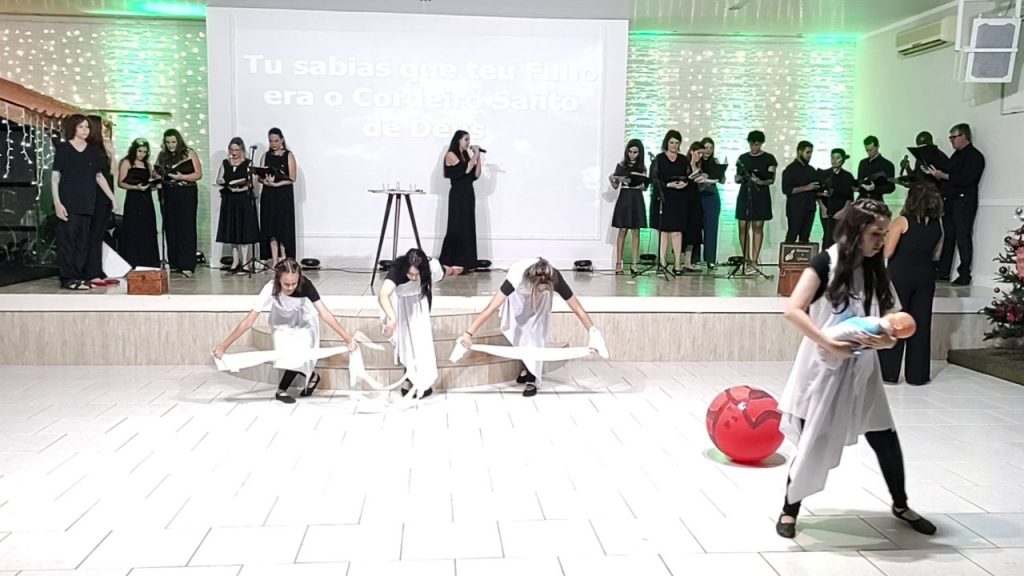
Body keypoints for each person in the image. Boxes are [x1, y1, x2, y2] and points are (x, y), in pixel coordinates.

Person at [776, 198, 935, 539]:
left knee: (884, 437)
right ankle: (789, 510)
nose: (881, 241)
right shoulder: (824, 263)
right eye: (876, 233)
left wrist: (887, 340)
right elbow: (793, 309)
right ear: (855, 231)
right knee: (813, 440)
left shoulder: (878, 270)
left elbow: (893, 318)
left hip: (863, 370)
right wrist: (828, 342)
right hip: (822, 368)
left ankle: (901, 504)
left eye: (884, 234)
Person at [213, 259, 358, 404]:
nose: (290, 287)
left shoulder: (306, 285)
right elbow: (248, 321)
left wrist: (347, 338)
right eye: (286, 284)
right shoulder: (270, 288)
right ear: (278, 280)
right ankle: (312, 376)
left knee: (299, 354)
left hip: (304, 322)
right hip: (281, 323)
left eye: (294, 283)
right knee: (286, 355)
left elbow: (325, 314)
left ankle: (281, 390)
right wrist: (224, 346)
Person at [458, 257, 603, 397]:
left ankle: (532, 377)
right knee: (517, 332)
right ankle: (525, 366)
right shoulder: (516, 278)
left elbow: (577, 308)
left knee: (535, 334)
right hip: (517, 297)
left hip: (538, 301)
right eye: (540, 288)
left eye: (545, 289)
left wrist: (593, 332)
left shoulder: (555, 277)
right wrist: (468, 334)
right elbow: (491, 307)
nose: (543, 290)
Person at [879, 183, 943, 385]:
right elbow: (936, 254)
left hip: (900, 276)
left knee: (895, 322)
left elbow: (887, 252)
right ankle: (918, 375)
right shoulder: (938, 225)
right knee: (920, 325)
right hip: (926, 276)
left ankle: (888, 373)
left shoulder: (901, 221)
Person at [52, 114, 118, 290]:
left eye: (87, 127)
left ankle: (79, 276)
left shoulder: (92, 151)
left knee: (83, 241)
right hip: (68, 201)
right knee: (68, 240)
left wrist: (112, 197)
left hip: (87, 202)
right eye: (81, 126)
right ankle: (68, 278)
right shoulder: (64, 149)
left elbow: (99, 176)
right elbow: (55, 177)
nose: (85, 130)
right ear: (73, 128)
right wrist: (57, 202)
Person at [378, 248, 448, 399]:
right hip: (400, 307)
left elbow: (442, 271)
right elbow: (383, 294)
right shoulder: (397, 270)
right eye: (411, 274)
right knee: (406, 344)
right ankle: (409, 380)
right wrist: (392, 318)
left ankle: (420, 381)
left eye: (417, 274)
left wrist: (453, 270)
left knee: (420, 344)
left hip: (419, 305)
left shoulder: (430, 267)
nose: (414, 278)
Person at [925, 123, 985, 286]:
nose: (951, 141)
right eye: (950, 138)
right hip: (951, 200)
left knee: (963, 236)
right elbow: (949, 175)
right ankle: (943, 271)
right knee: (949, 236)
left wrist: (944, 176)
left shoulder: (974, 156)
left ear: (964, 136)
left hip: (964, 201)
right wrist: (936, 175)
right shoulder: (955, 156)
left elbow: (967, 179)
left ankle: (964, 273)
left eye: (953, 137)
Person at [651, 132, 701, 274]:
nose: (674, 145)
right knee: (664, 231)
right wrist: (668, 185)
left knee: (677, 231)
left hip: (679, 198)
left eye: (677, 143)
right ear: (666, 143)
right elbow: (654, 178)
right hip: (664, 197)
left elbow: (688, 176)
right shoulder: (659, 159)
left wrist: (684, 183)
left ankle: (677, 263)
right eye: (672, 142)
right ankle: (662, 262)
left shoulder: (683, 159)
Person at [157, 128, 202, 277]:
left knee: (186, 227)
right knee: (171, 227)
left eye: (173, 142)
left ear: (179, 141)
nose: (171, 145)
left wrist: (182, 177)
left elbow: (198, 174)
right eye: (168, 142)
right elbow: (157, 172)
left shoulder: (189, 153)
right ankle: (175, 263)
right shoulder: (162, 155)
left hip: (186, 192)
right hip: (169, 192)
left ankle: (187, 264)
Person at [440, 130, 483, 275]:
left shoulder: (466, 155)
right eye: (466, 139)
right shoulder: (451, 154)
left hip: (468, 194)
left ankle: (467, 262)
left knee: (467, 227)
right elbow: (465, 170)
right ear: (458, 140)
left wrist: (478, 157)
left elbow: (475, 174)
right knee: (456, 226)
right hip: (458, 195)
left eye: (469, 139)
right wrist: (475, 155)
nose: (468, 142)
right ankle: (450, 260)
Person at [735, 130, 777, 274]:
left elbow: (771, 179)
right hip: (745, 194)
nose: (754, 147)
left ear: (761, 143)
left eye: (757, 144)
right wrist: (738, 178)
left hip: (760, 194)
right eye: (752, 144)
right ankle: (746, 258)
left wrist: (760, 181)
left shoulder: (769, 158)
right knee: (743, 225)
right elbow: (737, 176)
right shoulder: (743, 158)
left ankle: (754, 260)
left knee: (757, 226)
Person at [216, 137, 259, 274]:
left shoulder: (248, 163)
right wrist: (227, 184)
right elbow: (219, 178)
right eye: (232, 150)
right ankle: (235, 261)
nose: (234, 153)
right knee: (232, 230)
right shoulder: (225, 163)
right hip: (230, 199)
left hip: (243, 199)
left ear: (242, 150)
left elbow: (252, 183)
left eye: (237, 150)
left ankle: (245, 262)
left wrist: (240, 189)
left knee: (243, 230)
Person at [117, 138, 160, 268]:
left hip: (146, 199)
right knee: (133, 229)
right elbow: (121, 183)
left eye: (145, 152)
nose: (142, 154)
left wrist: (155, 184)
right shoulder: (127, 162)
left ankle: (148, 261)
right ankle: (132, 260)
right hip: (133, 199)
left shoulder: (147, 165)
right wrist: (136, 187)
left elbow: (151, 181)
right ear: (134, 150)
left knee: (147, 228)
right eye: (140, 151)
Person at [259, 127, 298, 267]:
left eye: (276, 140)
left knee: (283, 228)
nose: (273, 144)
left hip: (283, 196)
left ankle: (284, 259)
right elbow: (259, 177)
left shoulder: (288, 155)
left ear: (282, 140)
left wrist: (276, 184)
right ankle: (274, 260)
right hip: (269, 196)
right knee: (271, 228)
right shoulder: (265, 156)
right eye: (271, 141)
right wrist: (265, 181)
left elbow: (292, 178)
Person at [608, 138, 647, 275]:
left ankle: (635, 263)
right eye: (630, 152)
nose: (632, 155)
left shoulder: (642, 167)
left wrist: (642, 183)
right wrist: (612, 179)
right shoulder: (621, 165)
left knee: (636, 230)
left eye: (635, 152)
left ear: (639, 153)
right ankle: (619, 263)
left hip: (636, 197)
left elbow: (644, 187)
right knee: (622, 230)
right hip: (624, 197)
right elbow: (615, 186)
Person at [693, 137, 725, 269]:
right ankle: (693, 259)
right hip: (697, 196)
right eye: (706, 147)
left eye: (711, 148)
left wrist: (721, 171)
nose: (708, 150)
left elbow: (722, 180)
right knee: (695, 228)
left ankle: (710, 259)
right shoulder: (696, 161)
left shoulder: (715, 162)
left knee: (711, 228)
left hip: (711, 197)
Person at [782, 140, 820, 244]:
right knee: (792, 235)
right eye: (807, 152)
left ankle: (803, 255)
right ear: (799, 152)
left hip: (810, 207)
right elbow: (786, 190)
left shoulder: (811, 170)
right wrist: (807, 187)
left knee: (805, 237)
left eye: (811, 153)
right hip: (796, 208)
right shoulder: (790, 170)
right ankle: (788, 254)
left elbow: (816, 188)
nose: (810, 155)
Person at [817, 148, 856, 250]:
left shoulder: (847, 176)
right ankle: (825, 258)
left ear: (843, 159)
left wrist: (843, 212)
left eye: (837, 158)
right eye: (832, 157)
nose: (834, 160)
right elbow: (818, 194)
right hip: (826, 210)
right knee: (827, 236)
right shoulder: (824, 174)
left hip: (841, 211)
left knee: (839, 237)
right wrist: (823, 208)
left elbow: (849, 198)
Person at [856, 136, 895, 203]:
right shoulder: (862, 163)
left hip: (877, 200)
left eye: (871, 149)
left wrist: (875, 188)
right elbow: (860, 181)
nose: (869, 152)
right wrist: (857, 187)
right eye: (867, 150)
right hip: (861, 199)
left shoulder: (887, 164)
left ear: (878, 146)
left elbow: (891, 187)